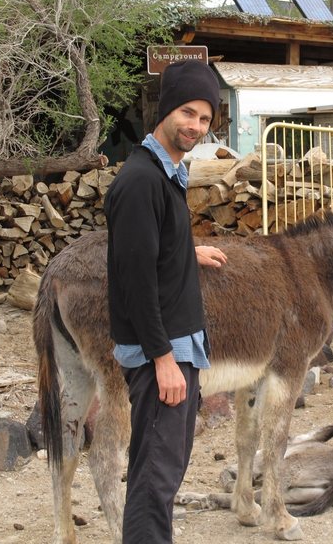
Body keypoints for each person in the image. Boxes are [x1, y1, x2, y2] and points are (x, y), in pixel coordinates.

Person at [104, 60, 228, 543]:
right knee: (157, 479)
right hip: (164, 352)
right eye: (187, 112)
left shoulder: (164, 172)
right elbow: (133, 281)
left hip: (173, 347)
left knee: (157, 471)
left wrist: (183, 251)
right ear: (165, 109)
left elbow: (146, 248)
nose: (195, 125)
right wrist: (163, 359)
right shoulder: (141, 180)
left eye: (204, 117)